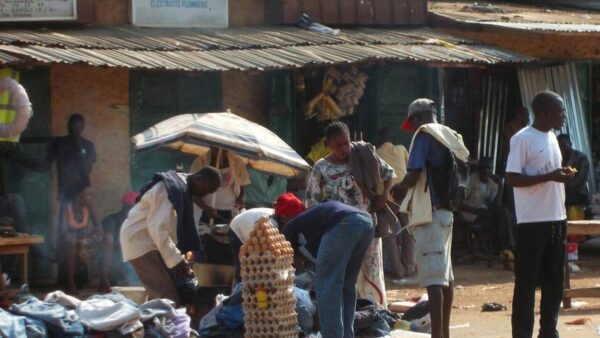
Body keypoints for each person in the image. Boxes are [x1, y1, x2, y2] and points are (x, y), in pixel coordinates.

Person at [392, 98, 469, 338]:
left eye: (412, 122)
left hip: (431, 214)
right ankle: (443, 333)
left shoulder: (425, 135)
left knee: (434, 281)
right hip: (446, 213)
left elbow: (414, 172)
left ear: (417, 118)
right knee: (446, 277)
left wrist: (398, 189)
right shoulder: (450, 134)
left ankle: (437, 335)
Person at [506, 91, 573, 338]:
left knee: (554, 283)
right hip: (532, 223)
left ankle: (548, 332)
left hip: (557, 219)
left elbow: (549, 172)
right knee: (526, 284)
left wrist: (561, 173)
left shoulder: (553, 137)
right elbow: (511, 178)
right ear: (545, 112)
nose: (564, 116)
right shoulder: (522, 139)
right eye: (561, 111)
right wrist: (550, 176)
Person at [306, 121, 395, 306]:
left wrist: (384, 196)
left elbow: (389, 173)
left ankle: (376, 313)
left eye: (346, 143)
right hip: (339, 229)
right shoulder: (321, 167)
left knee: (371, 271)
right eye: (338, 145)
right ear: (328, 144)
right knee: (345, 274)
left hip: (368, 225)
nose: (344, 148)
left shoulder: (362, 155)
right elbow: (312, 201)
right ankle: (351, 316)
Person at [120, 167, 221, 305]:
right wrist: (176, 260)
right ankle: (165, 325)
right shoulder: (170, 188)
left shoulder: (180, 188)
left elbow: (167, 227)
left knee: (167, 291)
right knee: (166, 295)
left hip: (150, 242)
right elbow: (157, 228)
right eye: (206, 190)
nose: (204, 195)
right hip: (140, 241)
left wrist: (178, 257)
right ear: (200, 179)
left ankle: (155, 321)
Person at [281, 201, 374, 338]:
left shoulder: (287, 232)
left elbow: (288, 260)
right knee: (347, 285)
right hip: (365, 223)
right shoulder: (308, 235)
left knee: (327, 284)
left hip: (344, 223)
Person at [37, 114, 96, 231]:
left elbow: (87, 170)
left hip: (80, 192)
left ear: (82, 129)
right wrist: (19, 159)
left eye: (77, 129)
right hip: (65, 192)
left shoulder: (88, 146)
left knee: (83, 226)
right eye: (72, 128)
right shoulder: (59, 143)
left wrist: (79, 147)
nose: (74, 131)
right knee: (64, 231)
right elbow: (44, 167)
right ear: (67, 127)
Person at [190, 148, 250, 264]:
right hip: (205, 212)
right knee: (206, 247)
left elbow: (242, 188)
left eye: (222, 148)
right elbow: (193, 193)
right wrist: (207, 209)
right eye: (214, 147)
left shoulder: (237, 162)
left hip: (230, 213)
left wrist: (240, 200)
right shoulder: (200, 162)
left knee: (228, 249)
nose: (218, 150)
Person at [229, 192, 305, 282]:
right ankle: (241, 291)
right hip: (238, 229)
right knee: (245, 270)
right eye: (294, 219)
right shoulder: (268, 225)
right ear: (283, 217)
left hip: (252, 231)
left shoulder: (281, 222)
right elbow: (263, 254)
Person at [376, 127, 415, 280]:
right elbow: (410, 167)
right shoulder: (401, 149)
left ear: (379, 141)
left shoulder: (376, 153)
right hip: (405, 194)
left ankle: (397, 271)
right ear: (392, 140)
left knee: (389, 234)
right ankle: (409, 267)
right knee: (408, 230)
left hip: (386, 197)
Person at [457, 156, 514, 252]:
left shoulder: (492, 184)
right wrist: (475, 210)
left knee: (505, 211)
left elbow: (497, 206)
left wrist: (500, 186)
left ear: (492, 170)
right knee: (502, 214)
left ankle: (505, 247)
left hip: (484, 215)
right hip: (470, 215)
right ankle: (506, 247)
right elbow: (459, 201)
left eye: (489, 168)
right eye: (483, 168)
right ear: (479, 169)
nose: (486, 171)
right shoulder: (471, 179)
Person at [60, 186, 107, 293]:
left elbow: (99, 229)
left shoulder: (89, 208)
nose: (91, 198)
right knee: (72, 242)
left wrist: (91, 238)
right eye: (88, 195)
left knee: (108, 239)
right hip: (68, 244)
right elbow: (62, 232)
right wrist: (78, 239)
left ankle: (104, 280)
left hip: (85, 242)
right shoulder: (66, 208)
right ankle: (71, 284)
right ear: (79, 197)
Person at [99, 191, 139, 291]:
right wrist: (105, 278)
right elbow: (108, 243)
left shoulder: (138, 221)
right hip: (114, 265)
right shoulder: (111, 220)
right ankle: (105, 279)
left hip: (131, 266)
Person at [557, 134, 591, 209]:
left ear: (570, 144)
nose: (562, 149)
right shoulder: (557, 159)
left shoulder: (581, 158)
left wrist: (564, 185)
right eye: (559, 146)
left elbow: (581, 180)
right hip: (563, 200)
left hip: (579, 198)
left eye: (564, 146)